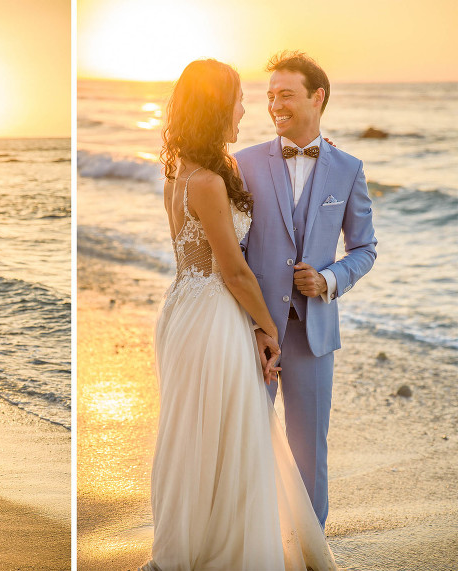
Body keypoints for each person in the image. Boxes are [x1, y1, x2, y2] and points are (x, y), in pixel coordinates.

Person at [142, 59, 337, 570]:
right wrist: (268, 330)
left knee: (198, 432)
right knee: (231, 430)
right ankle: (220, 550)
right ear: (215, 107)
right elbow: (233, 272)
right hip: (212, 317)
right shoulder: (207, 180)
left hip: (184, 308)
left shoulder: (180, 173)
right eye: (237, 99)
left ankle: (193, 542)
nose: (246, 107)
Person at [236, 51, 377, 529]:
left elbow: (365, 248)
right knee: (247, 441)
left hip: (314, 333)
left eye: (286, 95)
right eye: (270, 95)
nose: (275, 104)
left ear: (317, 97)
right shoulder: (243, 163)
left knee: (309, 448)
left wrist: (330, 278)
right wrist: (252, 323)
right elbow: (230, 245)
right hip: (253, 330)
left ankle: (311, 546)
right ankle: (251, 541)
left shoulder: (348, 168)